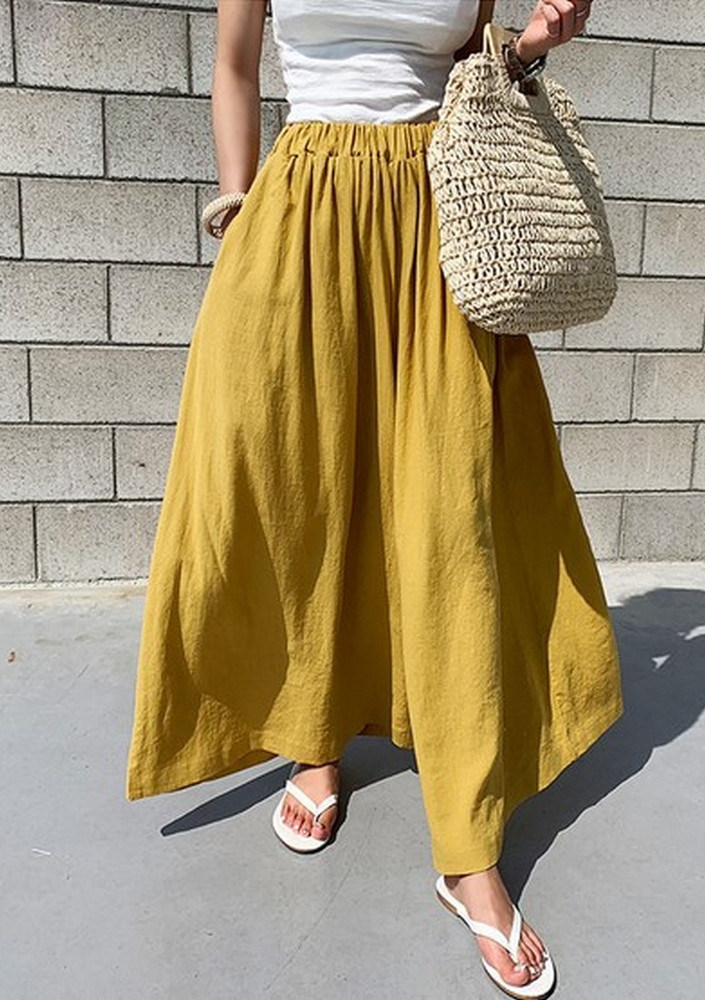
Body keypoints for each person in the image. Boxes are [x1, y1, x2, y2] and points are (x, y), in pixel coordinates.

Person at [125, 1, 623, 995]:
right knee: (292, 495)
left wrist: (532, 47)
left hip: (432, 225)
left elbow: (476, 80)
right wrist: (236, 203)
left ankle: (468, 851)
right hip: (299, 217)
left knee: (451, 524)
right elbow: (234, 65)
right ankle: (311, 738)